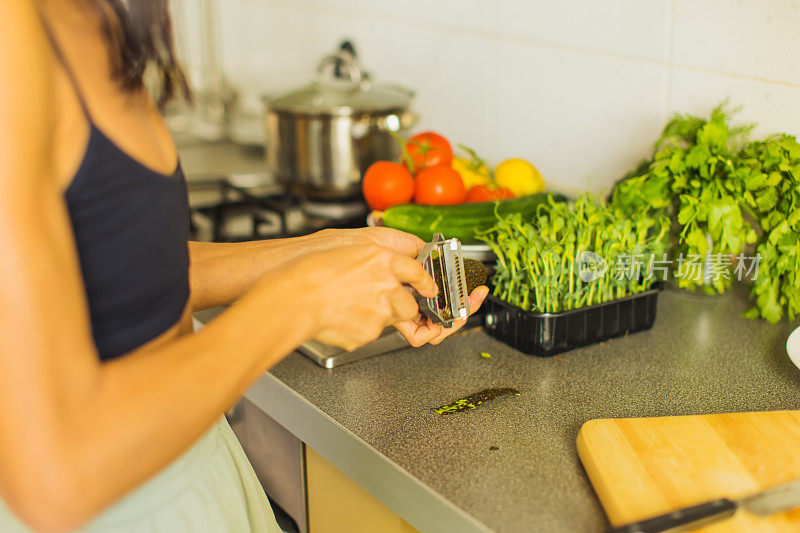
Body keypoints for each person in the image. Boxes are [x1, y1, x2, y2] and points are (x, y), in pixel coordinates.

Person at [0, 1, 489, 531]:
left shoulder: (86, 18)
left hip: (191, 470)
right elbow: (54, 477)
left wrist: (315, 252)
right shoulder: (13, 34)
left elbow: (115, 273)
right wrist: (299, 302)